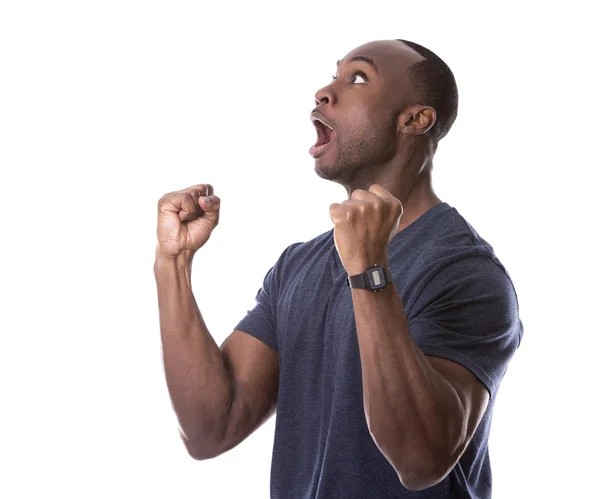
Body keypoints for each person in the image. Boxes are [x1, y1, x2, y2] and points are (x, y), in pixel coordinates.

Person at [154, 39, 523, 499]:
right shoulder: (297, 267)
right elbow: (211, 428)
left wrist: (369, 270)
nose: (324, 92)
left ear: (414, 120)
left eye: (358, 78)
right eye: (333, 75)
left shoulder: (466, 271)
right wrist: (174, 262)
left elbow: (420, 460)